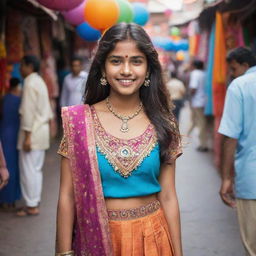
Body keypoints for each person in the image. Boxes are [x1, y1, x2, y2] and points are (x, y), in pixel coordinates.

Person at [56, 23, 183, 256]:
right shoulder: (79, 122)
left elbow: (168, 195)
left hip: (153, 240)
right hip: (96, 238)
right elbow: (67, 196)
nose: (126, 70)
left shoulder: (164, 124)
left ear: (148, 69)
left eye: (136, 61)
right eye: (116, 61)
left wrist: (178, 251)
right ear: (103, 68)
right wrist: (64, 253)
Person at [219, 47, 256, 256]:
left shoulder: (240, 85)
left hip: (251, 180)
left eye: (233, 69)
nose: (232, 73)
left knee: (252, 246)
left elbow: (230, 135)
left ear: (244, 65)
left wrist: (226, 177)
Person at [16, 55, 53, 216]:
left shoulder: (30, 83)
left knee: (29, 170)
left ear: (29, 66)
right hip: (41, 131)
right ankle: (33, 202)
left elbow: (28, 113)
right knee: (35, 170)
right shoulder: (39, 81)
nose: (20, 69)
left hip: (33, 132)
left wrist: (27, 137)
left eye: (22, 65)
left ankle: (31, 205)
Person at [0, 78, 21, 209]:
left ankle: (2, 199)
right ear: (17, 87)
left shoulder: (3, 99)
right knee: (12, 167)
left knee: (3, 165)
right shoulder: (19, 101)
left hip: (3, 134)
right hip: (14, 136)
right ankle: (11, 200)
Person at [187, 59, 208, 152]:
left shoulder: (195, 73)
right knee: (202, 122)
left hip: (198, 101)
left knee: (201, 123)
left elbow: (193, 88)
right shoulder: (204, 73)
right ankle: (202, 142)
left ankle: (203, 144)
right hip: (204, 101)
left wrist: (190, 98)